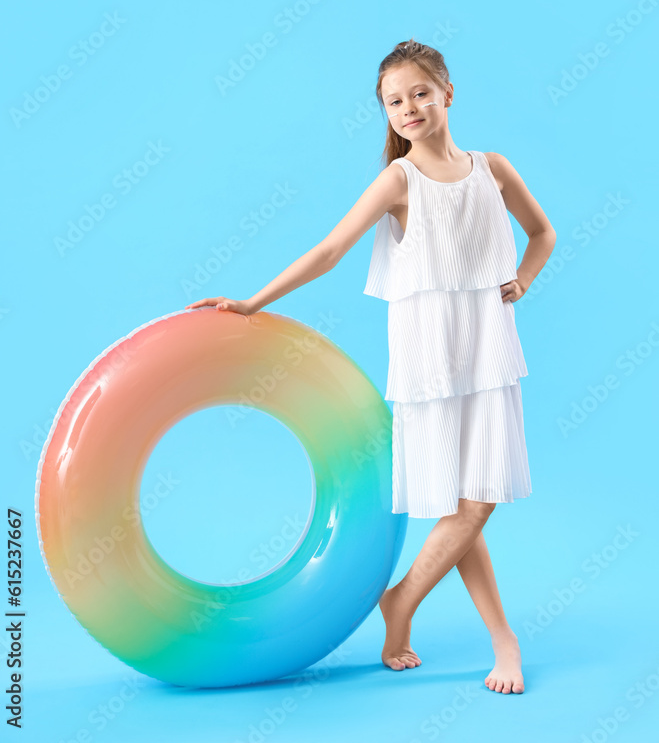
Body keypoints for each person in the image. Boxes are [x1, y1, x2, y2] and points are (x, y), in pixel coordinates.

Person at [185, 38, 556, 696]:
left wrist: (522, 279)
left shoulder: (491, 169)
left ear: (447, 91)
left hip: (488, 347)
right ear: (384, 113)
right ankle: (479, 631)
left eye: (419, 92)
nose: (408, 107)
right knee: (461, 504)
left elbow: (541, 231)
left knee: (475, 501)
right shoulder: (397, 180)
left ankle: (411, 607)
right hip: (428, 353)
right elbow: (330, 250)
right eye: (394, 101)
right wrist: (251, 301)